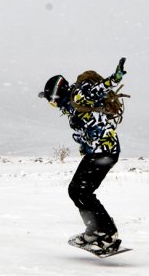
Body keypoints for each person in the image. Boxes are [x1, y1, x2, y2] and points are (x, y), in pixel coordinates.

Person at [38, 57, 127, 254]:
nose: (53, 106)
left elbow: (99, 89)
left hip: (104, 150)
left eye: (52, 102)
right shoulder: (72, 105)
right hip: (99, 151)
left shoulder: (79, 95)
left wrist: (116, 77)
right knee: (77, 191)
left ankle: (106, 233)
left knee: (81, 191)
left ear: (57, 94)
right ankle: (95, 230)